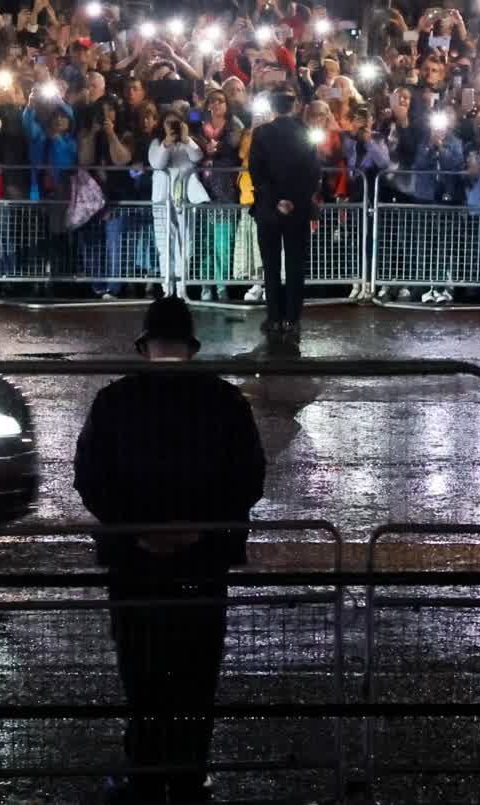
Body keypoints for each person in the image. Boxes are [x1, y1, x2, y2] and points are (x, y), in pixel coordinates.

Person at [74, 297, 267, 804]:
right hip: (202, 563)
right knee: (196, 672)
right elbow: (247, 477)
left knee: (142, 672)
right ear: (192, 347)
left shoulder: (115, 401)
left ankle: (145, 771)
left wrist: (136, 530)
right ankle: (187, 774)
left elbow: (90, 478)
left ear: (143, 347)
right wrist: (201, 530)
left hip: (134, 563)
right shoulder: (224, 401)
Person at [244, 90, 318, 346]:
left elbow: (256, 172)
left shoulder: (261, 134)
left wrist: (276, 200)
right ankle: (293, 318)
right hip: (297, 210)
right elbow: (312, 173)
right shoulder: (305, 132)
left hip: (268, 210)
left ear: (272, 108)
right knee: (296, 265)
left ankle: (274, 316)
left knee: (271, 265)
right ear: (294, 106)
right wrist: (293, 200)